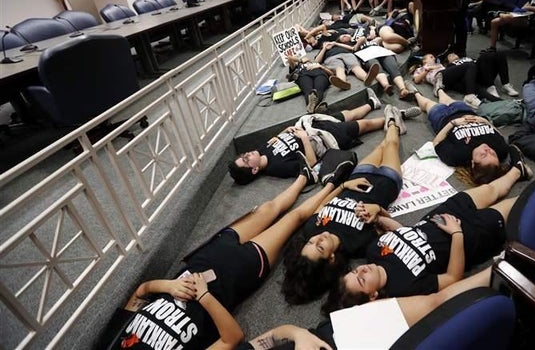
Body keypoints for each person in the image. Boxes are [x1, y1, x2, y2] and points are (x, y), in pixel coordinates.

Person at [99, 169, 341, 349]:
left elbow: (141, 291)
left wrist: (168, 285)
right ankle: (334, 182)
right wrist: (204, 296)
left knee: (268, 209)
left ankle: (306, 175)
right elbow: (232, 338)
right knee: (294, 219)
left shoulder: (111, 344)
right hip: (236, 273)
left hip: (204, 258)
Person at [324, 166, 526, 311]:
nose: (362, 269)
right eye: (361, 279)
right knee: (519, 205)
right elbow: (452, 279)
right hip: (469, 236)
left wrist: (380, 216)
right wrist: (456, 234)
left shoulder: (373, 252)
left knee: (490, 190)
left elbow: (404, 232)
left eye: (355, 271)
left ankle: (518, 170)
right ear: (372, 296)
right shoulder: (404, 288)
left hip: (439, 216)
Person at [282, 110, 408, 304]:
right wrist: (377, 210)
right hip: (386, 184)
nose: (317, 239)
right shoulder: (356, 246)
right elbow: (390, 226)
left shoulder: (311, 228)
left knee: (380, 147)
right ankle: (393, 121)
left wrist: (343, 186)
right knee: (391, 143)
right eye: (320, 247)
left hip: (356, 179)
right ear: (331, 258)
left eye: (310, 243)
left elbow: (324, 204)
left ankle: (391, 123)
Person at [228, 95, 383, 185]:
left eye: (243, 155)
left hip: (311, 126)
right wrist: (304, 139)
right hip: (320, 138)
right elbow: (311, 164)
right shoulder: (278, 168)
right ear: (254, 170)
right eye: (246, 159)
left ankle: (372, 103)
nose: (247, 154)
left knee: (347, 114)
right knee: (363, 125)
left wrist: (286, 130)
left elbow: (277, 138)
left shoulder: (261, 150)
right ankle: (396, 118)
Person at [412, 88, 532, 185]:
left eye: (483, 155)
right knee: (447, 99)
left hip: (443, 118)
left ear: (473, 163)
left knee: (428, 104)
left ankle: (416, 93)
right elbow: (498, 134)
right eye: (492, 153)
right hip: (466, 111)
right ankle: (439, 89)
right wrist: (484, 121)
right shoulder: (500, 150)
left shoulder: (458, 155)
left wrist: (453, 123)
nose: (488, 150)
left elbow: (436, 143)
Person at [314, 34, 380, 90]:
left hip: (347, 54)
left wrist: (335, 43)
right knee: (339, 68)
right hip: (332, 58)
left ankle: (366, 78)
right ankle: (342, 83)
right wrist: (324, 48)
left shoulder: (340, 45)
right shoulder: (323, 51)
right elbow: (317, 61)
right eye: (325, 43)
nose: (327, 44)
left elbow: (352, 48)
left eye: (328, 42)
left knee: (355, 66)